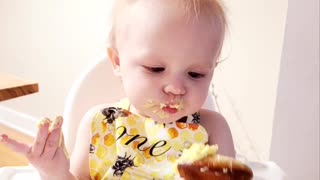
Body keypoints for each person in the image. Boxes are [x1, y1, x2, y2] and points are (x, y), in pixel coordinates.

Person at [0, 0, 235, 179]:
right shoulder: (100, 123)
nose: (176, 88)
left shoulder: (212, 129)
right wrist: (54, 171)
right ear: (118, 62)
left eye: (196, 74)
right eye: (155, 68)